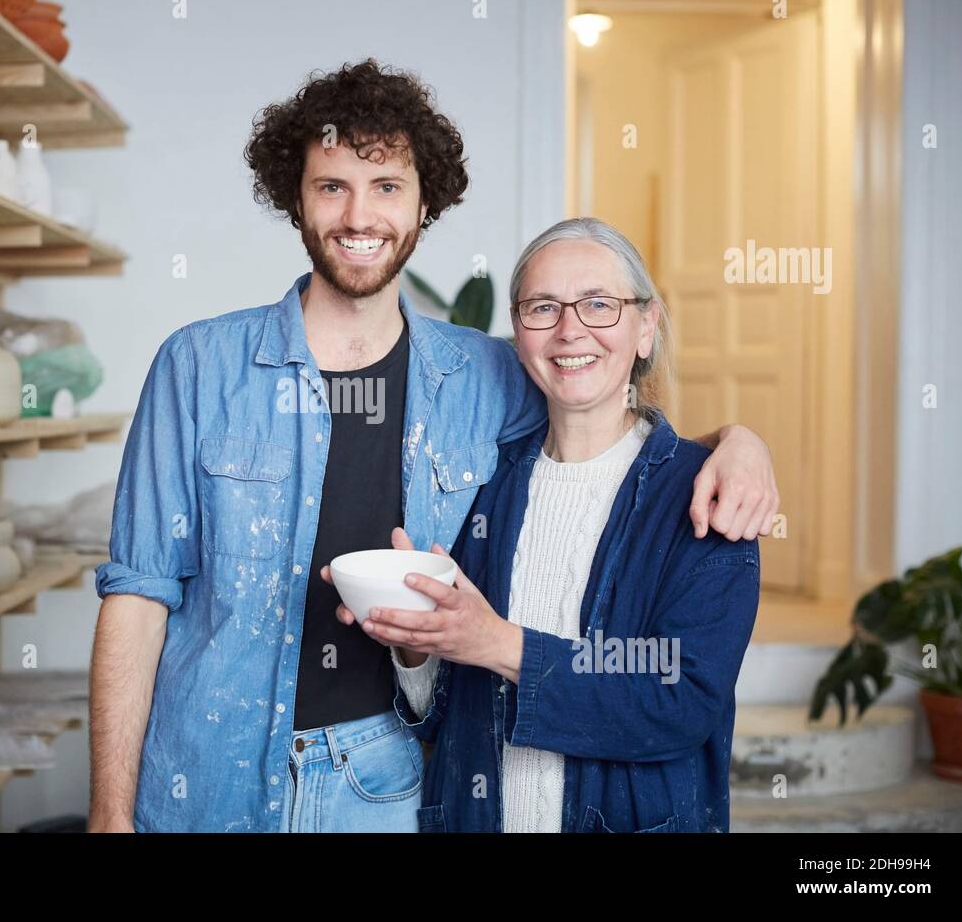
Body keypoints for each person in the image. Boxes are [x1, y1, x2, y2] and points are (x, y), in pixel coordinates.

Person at [88, 62, 777, 833]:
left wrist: (734, 442)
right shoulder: (197, 367)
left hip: (383, 783)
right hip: (205, 774)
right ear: (296, 197)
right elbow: (137, 596)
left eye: (386, 186)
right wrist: (108, 816)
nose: (360, 214)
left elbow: (603, 413)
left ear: (424, 205)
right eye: (331, 185)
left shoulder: (485, 374)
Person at [343, 218, 761, 832]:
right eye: (543, 308)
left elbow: (679, 700)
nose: (571, 330)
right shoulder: (484, 483)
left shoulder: (709, 495)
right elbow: (443, 718)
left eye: (599, 304)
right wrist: (413, 639)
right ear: (518, 335)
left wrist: (499, 645)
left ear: (646, 328)